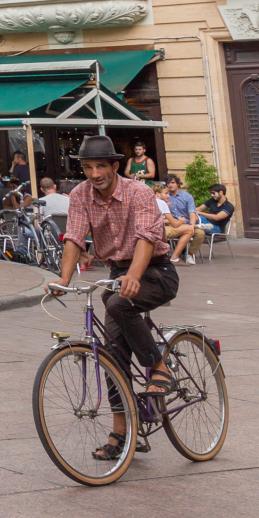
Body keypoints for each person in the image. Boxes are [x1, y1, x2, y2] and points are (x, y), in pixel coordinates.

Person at [48, 134, 177, 462]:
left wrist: (133, 275)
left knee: (118, 302)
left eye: (100, 166)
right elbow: (75, 236)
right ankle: (123, 434)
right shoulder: (80, 195)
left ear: (115, 166)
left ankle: (159, 366)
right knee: (112, 356)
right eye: (88, 167)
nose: (94, 173)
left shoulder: (139, 192)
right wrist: (64, 278)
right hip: (118, 271)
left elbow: (148, 236)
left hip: (155, 271)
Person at [156, 181, 199, 265]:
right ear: (158, 194)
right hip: (160, 230)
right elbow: (175, 224)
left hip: (150, 229)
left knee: (192, 230)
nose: (169, 196)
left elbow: (158, 219)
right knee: (189, 229)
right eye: (166, 193)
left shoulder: (151, 201)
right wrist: (180, 221)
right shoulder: (161, 203)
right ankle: (175, 258)